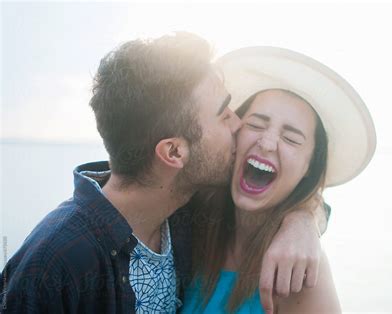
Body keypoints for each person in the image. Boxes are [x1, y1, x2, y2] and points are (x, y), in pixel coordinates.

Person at [0, 33, 329, 313]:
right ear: (174, 152)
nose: (238, 122)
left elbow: (299, 197)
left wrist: (302, 222)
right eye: (222, 114)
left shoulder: (185, 213)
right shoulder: (54, 265)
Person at [181, 47, 376, 313]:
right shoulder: (189, 222)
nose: (268, 142)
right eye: (256, 125)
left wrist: (305, 219)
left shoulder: (300, 274)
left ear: (309, 167)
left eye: (292, 138)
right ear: (235, 133)